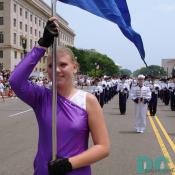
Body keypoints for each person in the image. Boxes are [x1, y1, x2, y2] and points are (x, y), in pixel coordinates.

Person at [9, 17, 110, 175]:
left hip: (76, 171)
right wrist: (42, 45)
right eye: (51, 65)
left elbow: (103, 147)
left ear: (75, 67)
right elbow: (15, 81)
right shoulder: (41, 97)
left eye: (63, 64)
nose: (56, 70)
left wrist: (69, 164)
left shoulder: (88, 101)